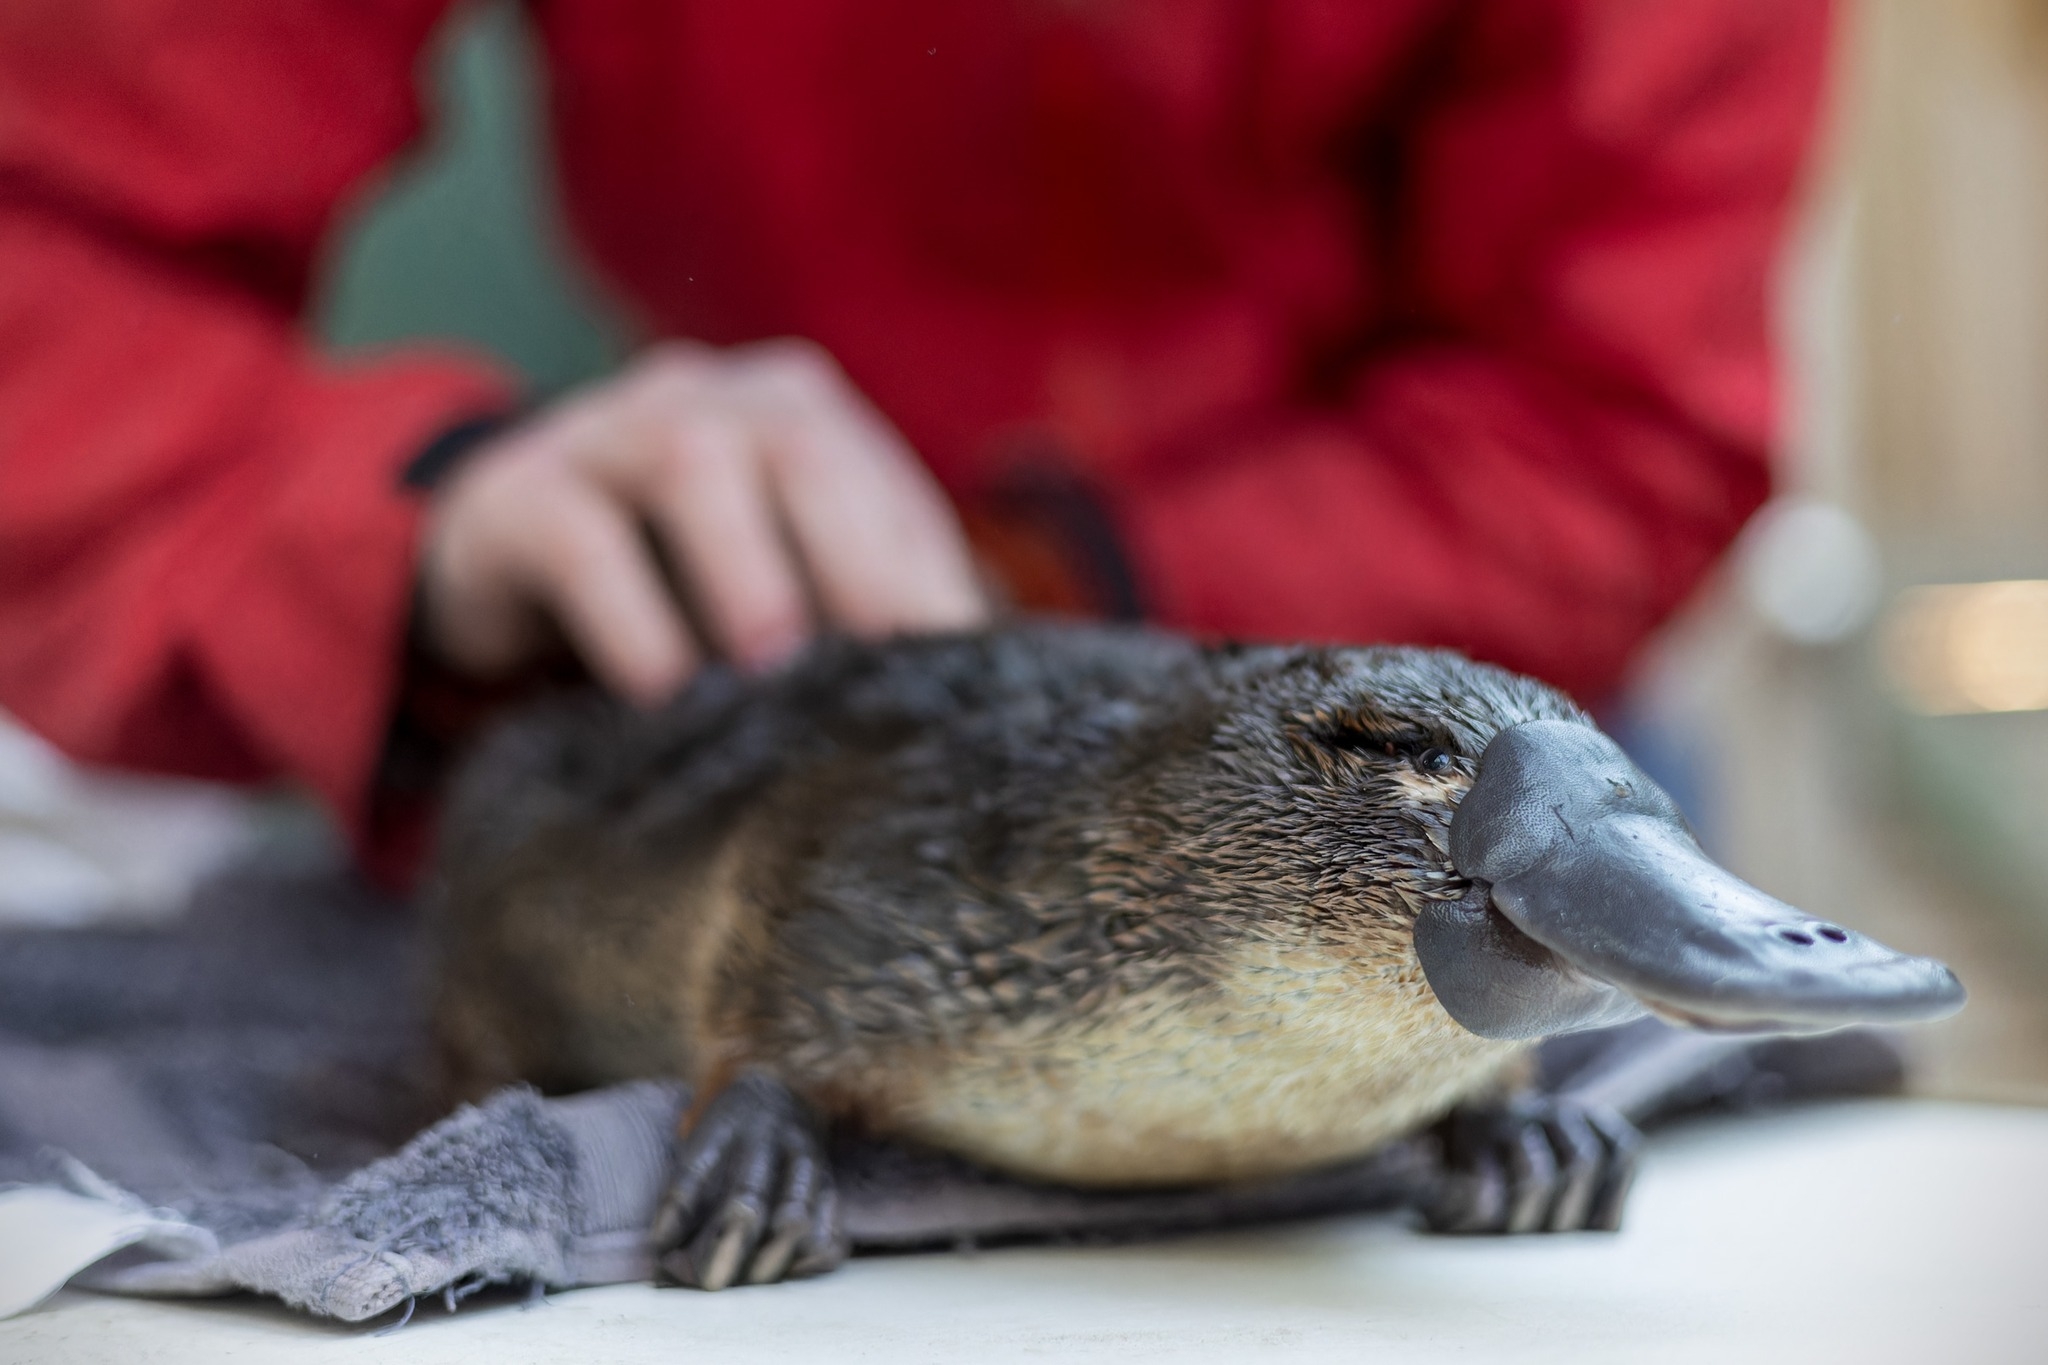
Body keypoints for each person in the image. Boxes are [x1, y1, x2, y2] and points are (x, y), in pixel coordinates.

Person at [0, 1, 1830, 881]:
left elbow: (1611, 412)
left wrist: (1025, 587)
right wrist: (411, 536)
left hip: (1427, 731)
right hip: (711, 690)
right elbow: (49, 242)